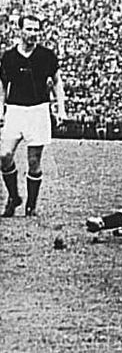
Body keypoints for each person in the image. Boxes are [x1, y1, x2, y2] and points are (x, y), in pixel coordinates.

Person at [0, 14, 67, 217]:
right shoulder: (9, 57)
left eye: (36, 30)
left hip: (38, 110)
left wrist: (60, 108)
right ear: (20, 30)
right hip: (15, 110)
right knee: (4, 155)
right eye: (29, 29)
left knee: (34, 161)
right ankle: (13, 197)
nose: (33, 33)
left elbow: (57, 82)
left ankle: (31, 206)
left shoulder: (46, 56)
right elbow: (2, 85)